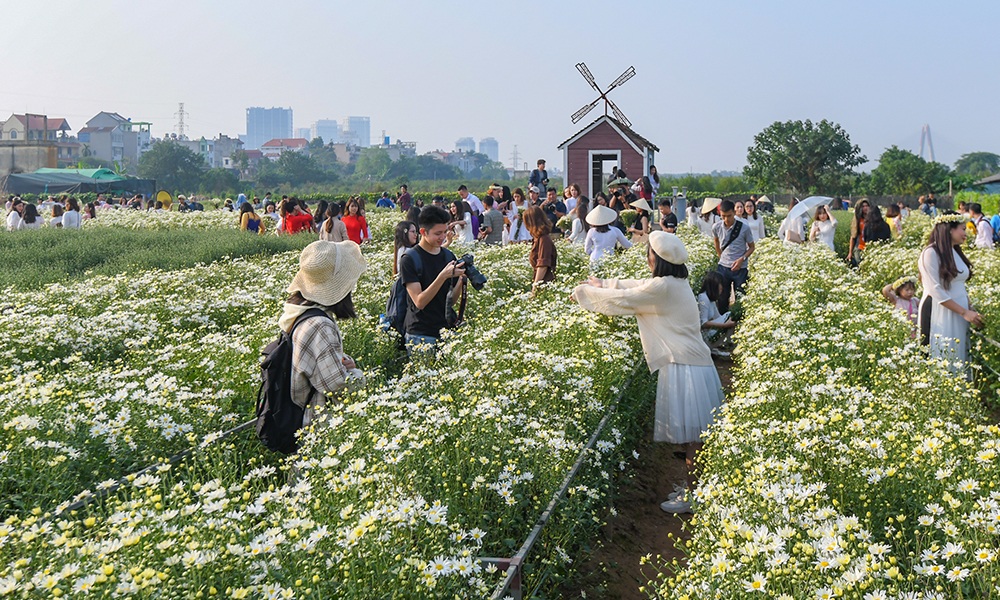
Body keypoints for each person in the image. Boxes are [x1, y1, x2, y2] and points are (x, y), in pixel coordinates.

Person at [572, 231, 724, 514]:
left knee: (695, 439)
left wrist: (583, 293)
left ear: (657, 259)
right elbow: (639, 285)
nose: (647, 258)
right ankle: (695, 489)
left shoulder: (664, 287)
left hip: (686, 367)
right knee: (697, 438)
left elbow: (629, 299)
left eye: (649, 254)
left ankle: (693, 495)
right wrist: (603, 283)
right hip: (693, 364)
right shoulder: (674, 282)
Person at [279, 240, 367, 427]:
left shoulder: (298, 311)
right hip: (318, 424)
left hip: (302, 415)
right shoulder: (320, 325)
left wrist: (341, 360)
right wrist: (356, 374)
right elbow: (337, 386)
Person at [919, 215, 983, 375]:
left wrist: (969, 308)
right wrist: (964, 311)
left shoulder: (955, 252)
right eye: (963, 229)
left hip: (960, 312)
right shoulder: (930, 253)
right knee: (940, 352)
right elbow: (936, 290)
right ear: (949, 230)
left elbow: (959, 286)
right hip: (938, 311)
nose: (966, 233)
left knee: (958, 352)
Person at [400, 206, 467, 354]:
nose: (443, 237)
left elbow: (450, 301)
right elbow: (419, 301)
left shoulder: (448, 256)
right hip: (421, 335)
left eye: (444, 232)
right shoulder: (410, 259)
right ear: (423, 232)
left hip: (446, 331)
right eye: (438, 233)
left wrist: (462, 280)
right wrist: (442, 276)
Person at [712, 200, 755, 315]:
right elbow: (716, 241)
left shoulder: (744, 228)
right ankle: (723, 323)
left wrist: (742, 259)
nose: (726, 219)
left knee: (740, 298)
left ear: (734, 213)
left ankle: (737, 322)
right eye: (723, 216)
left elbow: (751, 247)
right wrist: (721, 256)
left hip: (740, 269)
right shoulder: (716, 227)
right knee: (722, 298)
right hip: (723, 267)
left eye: (729, 216)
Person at [697, 271, 737, 357]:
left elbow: (718, 317)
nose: (722, 288)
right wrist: (725, 325)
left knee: (732, 316)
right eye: (720, 284)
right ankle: (725, 343)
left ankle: (725, 344)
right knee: (730, 315)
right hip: (704, 338)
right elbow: (703, 323)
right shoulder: (703, 298)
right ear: (714, 285)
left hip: (709, 335)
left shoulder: (711, 300)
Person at [524, 205, 556, 293]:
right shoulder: (538, 238)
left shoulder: (543, 239)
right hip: (541, 283)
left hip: (545, 285)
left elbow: (543, 266)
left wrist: (535, 288)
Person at [847, 199, 870, 265]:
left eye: (867, 206)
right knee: (859, 264)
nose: (865, 208)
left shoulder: (872, 219)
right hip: (859, 247)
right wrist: (850, 252)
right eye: (863, 206)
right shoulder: (858, 220)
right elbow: (853, 236)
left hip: (869, 247)